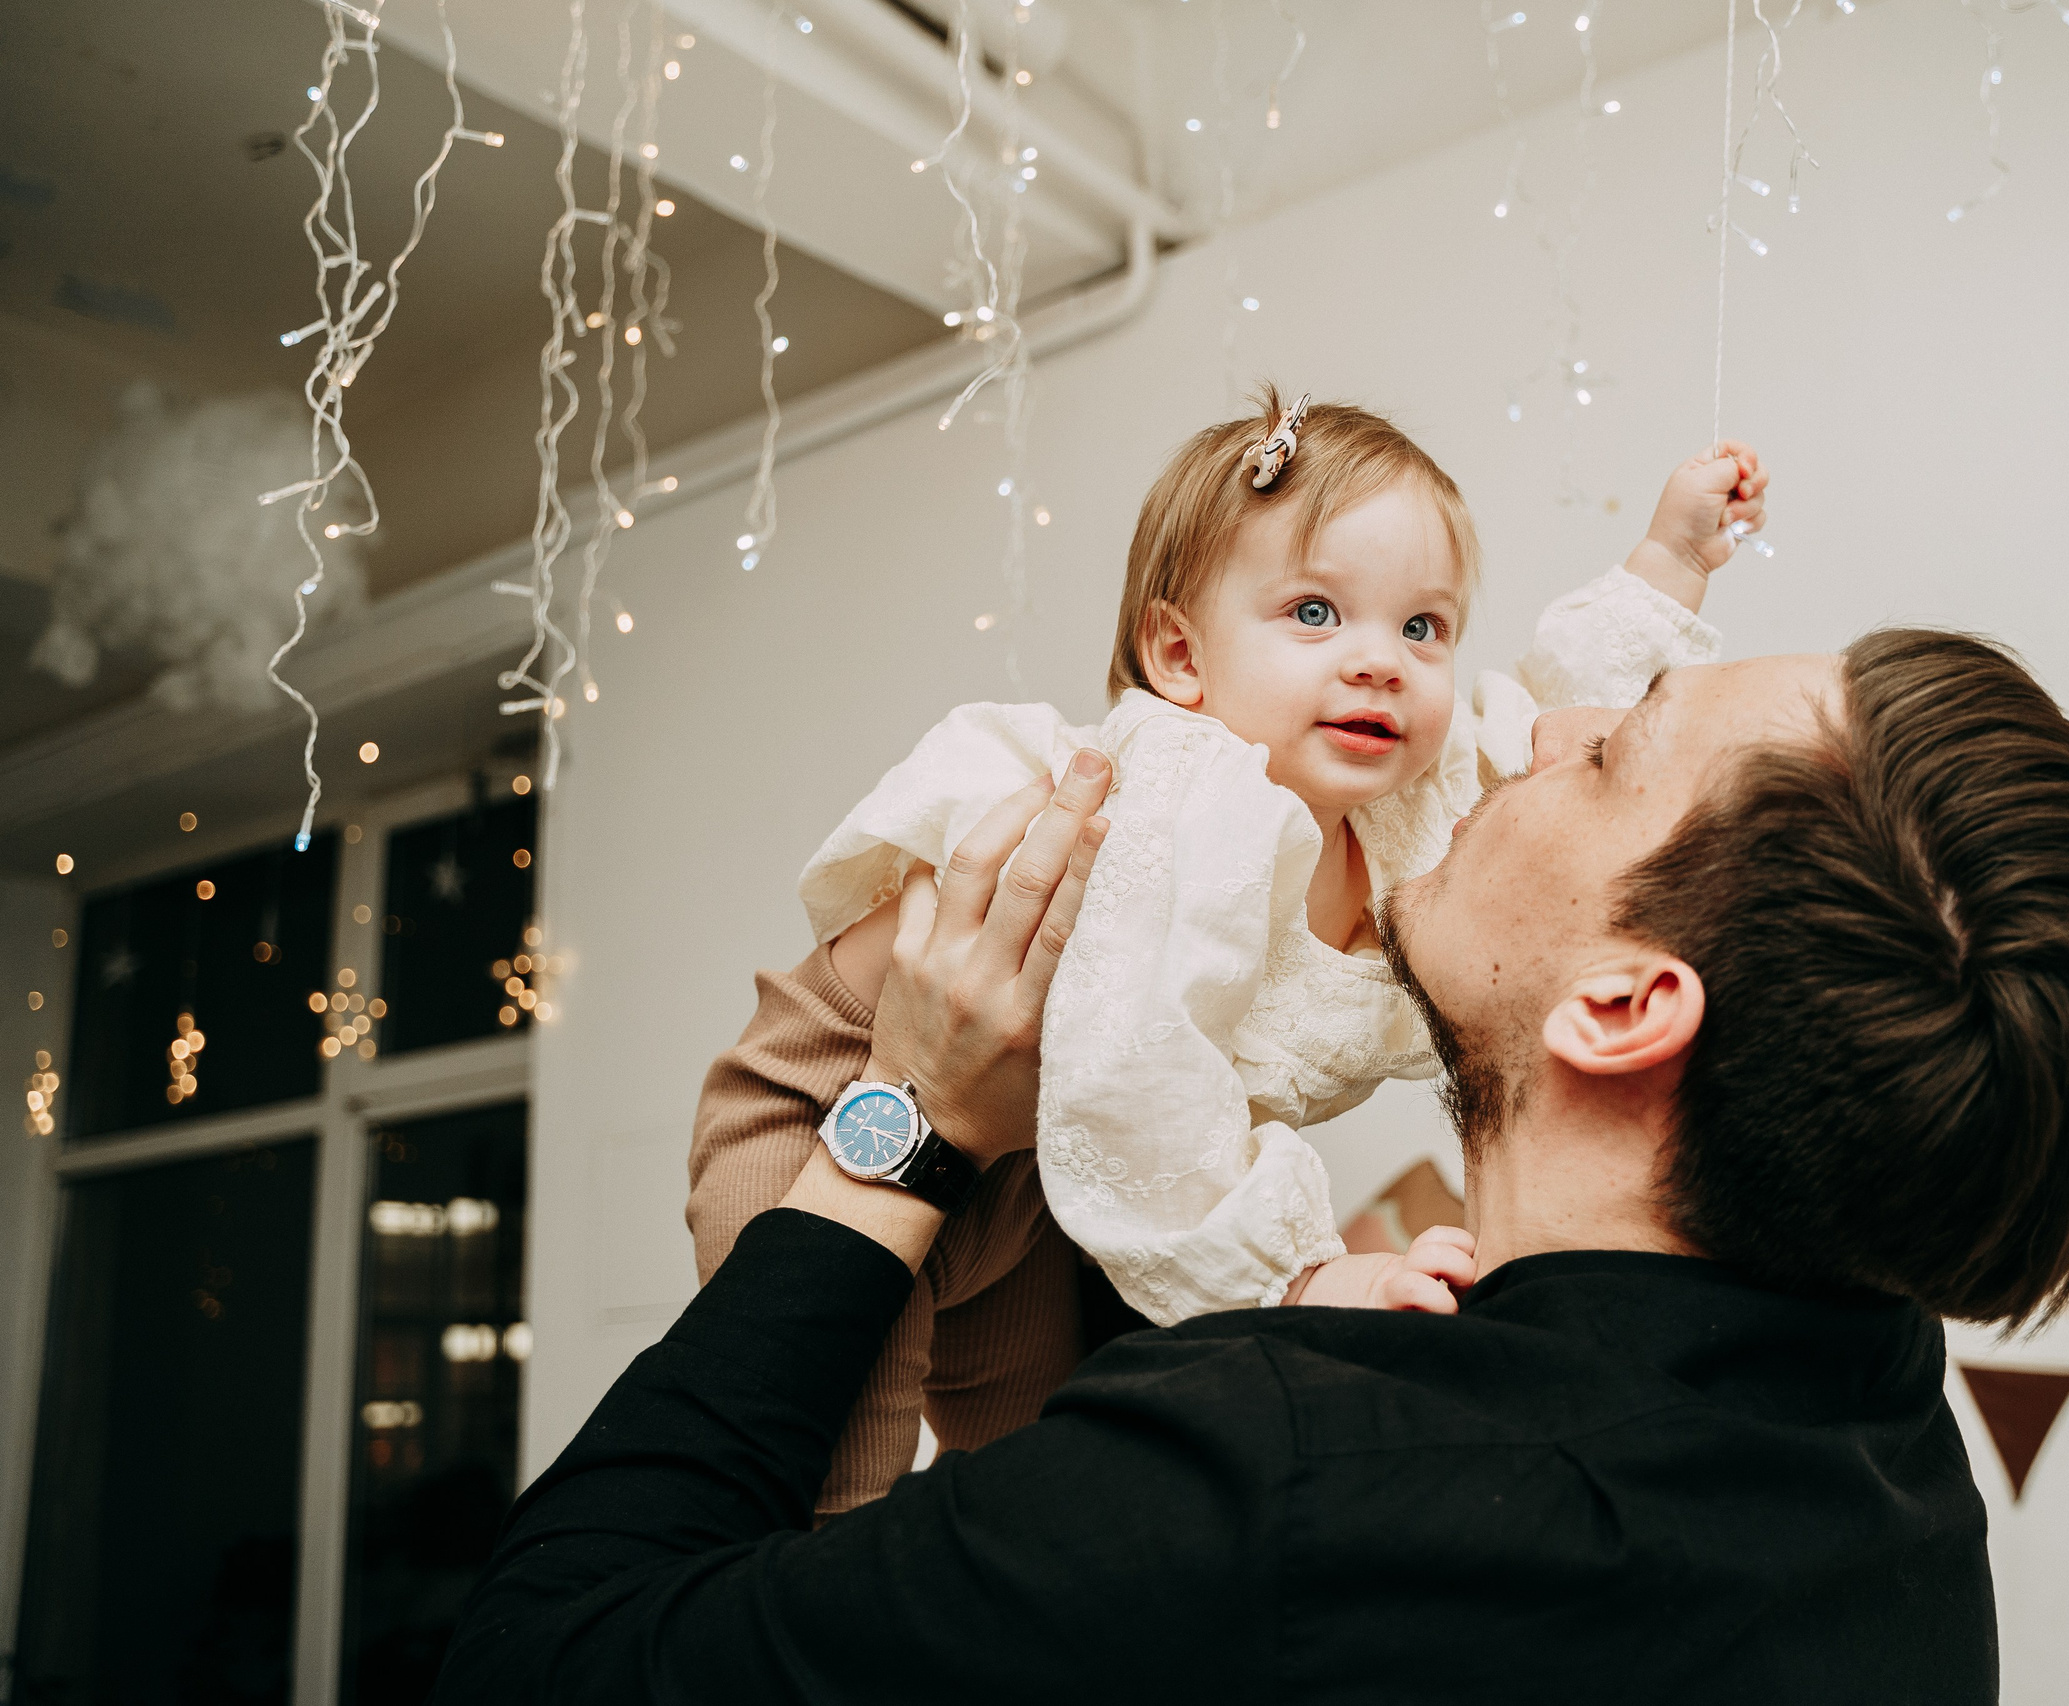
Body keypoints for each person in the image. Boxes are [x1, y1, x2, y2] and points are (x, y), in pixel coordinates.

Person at [436, 623, 2069, 1702]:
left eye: (1609, 756)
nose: (1529, 740)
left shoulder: (1272, 1471)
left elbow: (538, 1666)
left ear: (1627, 1001)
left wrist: (906, 1115)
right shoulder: (1884, 1451)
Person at [689, 386, 1771, 1509]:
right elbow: (1136, 1079)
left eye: (1422, 626)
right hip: (843, 1100)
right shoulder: (1184, 797)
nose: (1379, 661)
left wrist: (1669, 557)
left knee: (1041, 1480)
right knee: (826, 1488)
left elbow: (1552, 741)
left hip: (1031, 1161)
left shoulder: (1406, 812)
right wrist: (1298, 1271)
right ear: (1178, 655)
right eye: (1314, 612)